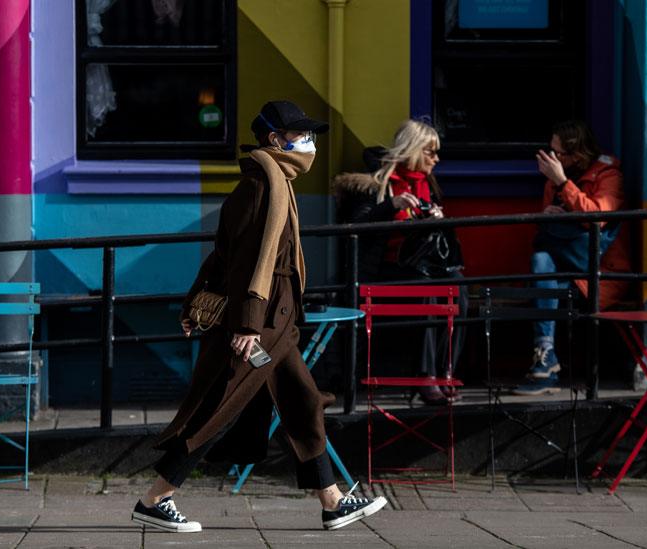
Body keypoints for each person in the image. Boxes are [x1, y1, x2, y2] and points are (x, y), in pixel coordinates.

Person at [130, 100, 386, 533]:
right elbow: (242, 258)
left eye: (309, 136)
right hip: (260, 322)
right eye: (300, 136)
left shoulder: (275, 184)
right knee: (219, 407)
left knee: (302, 402)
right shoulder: (260, 188)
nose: (308, 144)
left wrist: (200, 302)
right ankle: (155, 498)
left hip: (276, 321)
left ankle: (332, 500)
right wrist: (246, 323)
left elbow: (223, 255)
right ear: (274, 139)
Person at [332, 119, 468, 405]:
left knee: (460, 289)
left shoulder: (427, 184)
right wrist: (390, 206)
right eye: (431, 152)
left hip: (423, 264)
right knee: (429, 292)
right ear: (414, 150)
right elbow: (355, 225)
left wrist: (437, 220)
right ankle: (425, 376)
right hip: (385, 268)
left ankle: (445, 371)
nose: (437, 159)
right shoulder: (376, 184)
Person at [513, 120, 631, 396]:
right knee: (541, 261)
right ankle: (546, 356)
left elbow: (598, 215)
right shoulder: (553, 181)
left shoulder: (608, 175)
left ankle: (545, 365)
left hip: (596, 275)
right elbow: (550, 232)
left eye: (558, 153)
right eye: (550, 151)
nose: (552, 159)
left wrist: (563, 182)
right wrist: (547, 216)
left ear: (576, 154)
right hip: (560, 271)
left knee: (542, 283)